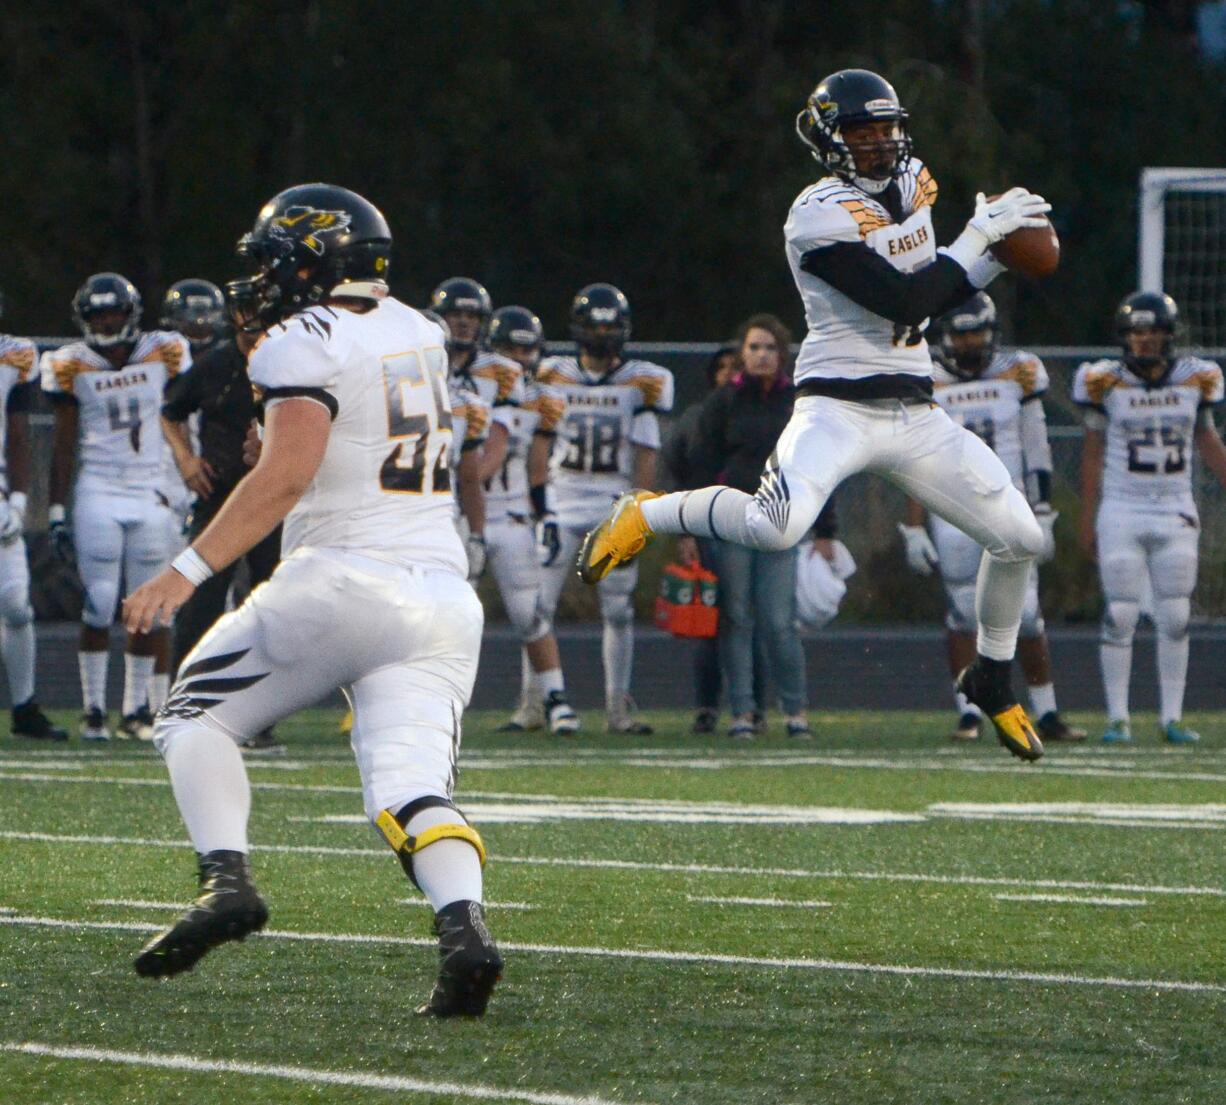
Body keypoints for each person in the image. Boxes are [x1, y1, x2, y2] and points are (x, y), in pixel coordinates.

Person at [578, 68, 1051, 762]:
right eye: (861, 132)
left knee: (1021, 538)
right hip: (837, 407)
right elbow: (903, 300)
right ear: (829, 141)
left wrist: (993, 263)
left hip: (915, 411)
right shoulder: (816, 214)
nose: (879, 143)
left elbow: (935, 295)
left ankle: (992, 675)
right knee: (776, 527)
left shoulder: (914, 181)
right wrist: (980, 240)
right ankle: (645, 514)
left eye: (887, 129)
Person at [124, 184, 502, 1016]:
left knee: (192, 715)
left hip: (342, 579)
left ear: (308, 261)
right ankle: (464, 930)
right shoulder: (423, 328)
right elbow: (353, 433)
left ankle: (226, 880)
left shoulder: (302, 336)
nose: (261, 281)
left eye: (270, 262)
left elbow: (288, 475)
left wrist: (182, 572)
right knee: (409, 790)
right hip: (442, 594)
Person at [899, 293, 1084, 744]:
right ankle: (970, 713)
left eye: (977, 332)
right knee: (963, 612)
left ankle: (1047, 712)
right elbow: (911, 457)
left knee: (1027, 616)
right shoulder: (925, 378)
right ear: (944, 338)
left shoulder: (1017, 372)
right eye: (961, 334)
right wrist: (915, 523)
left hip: (1009, 501)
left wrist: (1043, 509)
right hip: (952, 505)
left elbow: (1036, 446)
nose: (969, 342)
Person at [41, 273, 191, 741]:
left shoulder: (163, 351)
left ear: (131, 315)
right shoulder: (69, 364)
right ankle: (91, 710)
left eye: (113, 313)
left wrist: (182, 476)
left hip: (150, 486)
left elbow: (177, 416)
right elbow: (63, 444)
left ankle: (136, 710)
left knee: (147, 604)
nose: (106, 322)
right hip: (99, 489)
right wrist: (56, 508)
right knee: (101, 600)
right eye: (98, 315)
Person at [1074, 291, 1226, 744]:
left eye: (1154, 332)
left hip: (1175, 506)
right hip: (1121, 506)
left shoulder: (1196, 379)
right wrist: (1086, 515)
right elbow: (1092, 453)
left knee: (1176, 615)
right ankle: (1117, 718)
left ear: (1169, 336)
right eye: (1137, 333)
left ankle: (1171, 718)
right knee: (1120, 614)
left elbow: (1207, 440)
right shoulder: (1105, 381)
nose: (1145, 341)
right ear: (1125, 337)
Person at [681, 314, 833, 740]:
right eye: (753, 348)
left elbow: (821, 465)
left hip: (783, 519)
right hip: (731, 521)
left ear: (782, 354)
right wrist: (688, 528)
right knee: (737, 617)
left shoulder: (799, 402)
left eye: (769, 348)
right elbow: (701, 464)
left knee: (779, 621)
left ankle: (795, 711)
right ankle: (743, 713)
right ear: (742, 354)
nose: (761, 355)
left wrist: (826, 529)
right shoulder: (723, 402)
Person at [539, 284, 674, 734]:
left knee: (617, 610)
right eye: (594, 324)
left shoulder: (643, 380)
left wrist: (638, 514)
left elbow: (647, 452)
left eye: (609, 325)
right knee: (537, 607)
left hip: (612, 502)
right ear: (579, 329)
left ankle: (617, 707)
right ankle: (534, 702)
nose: (602, 333)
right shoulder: (551, 374)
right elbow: (535, 442)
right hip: (560, 498)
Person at [160, 284, 284, 755]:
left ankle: (258, 714)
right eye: (250, 322)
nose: (257, 333)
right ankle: (185, 705)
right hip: (222, 497)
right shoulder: (213, 365)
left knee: (270, 605)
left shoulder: (287, 362)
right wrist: (187, 460)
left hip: (271, 496)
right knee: (201, 601)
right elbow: (171, 413)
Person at [481, 305, 579, 735]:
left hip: (512, 514)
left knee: (529, 612)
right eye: (509, 349)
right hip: (460, 514)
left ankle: (555, 699)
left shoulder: (544, 399)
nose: (518, 360)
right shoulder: (467, 390)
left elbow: (538, 471)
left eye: (526, 351)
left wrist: (549, 517)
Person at [662, 344, 760, 734]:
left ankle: (753, 706)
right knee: (709, 620)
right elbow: (681, 468)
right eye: (720, 367)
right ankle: (707, 704)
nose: (726, 373)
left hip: (748, 521)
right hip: (708, 524)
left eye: (733, 367)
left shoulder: (754, 414)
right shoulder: (697, 417)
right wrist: (684, 527)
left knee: (746, 618)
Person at [0, 318, 66, 740]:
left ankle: (24, 707)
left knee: (17, 605)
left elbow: (18, 433)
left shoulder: (12, 354)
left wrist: (19, 502)